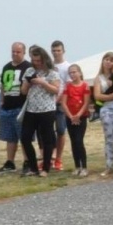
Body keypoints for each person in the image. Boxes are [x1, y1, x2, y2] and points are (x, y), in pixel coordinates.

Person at [19, 45, 61, 176]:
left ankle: (46, 168)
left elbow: (55, 90)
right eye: (34, 60)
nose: (36, 63)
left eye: (38, 60)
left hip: (47, 109)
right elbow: (23, 91)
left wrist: (43, 82)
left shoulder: (52, 72)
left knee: (47, 139)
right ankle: (33, 167)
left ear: (44, 59)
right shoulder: (29, 70)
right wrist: (28, 82)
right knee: (25, 137)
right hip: (31, 109)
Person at [0, 42, 31, 173]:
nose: (15, 54)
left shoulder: (28, 67)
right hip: (7, 107)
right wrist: (1, 101)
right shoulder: (6, 67)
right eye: (13, 51)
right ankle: (10, 162)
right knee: (10, 137)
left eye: (18, 52)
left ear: (24, 52)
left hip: (21, 107)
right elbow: (3, 85)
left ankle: (28, 162)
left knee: (24, 137)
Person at [61, 62, 91, 177]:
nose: (72, 75)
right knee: (73, 141)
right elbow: (64, 103)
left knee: (79, 141)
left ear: (80, 73)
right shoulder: (68, 86)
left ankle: (84, 167)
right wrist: (71, 116)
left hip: (81, 117)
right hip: (70, 117)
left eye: (74, 72)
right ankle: (77, 166)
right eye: (70, 73)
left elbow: (86, 102)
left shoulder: (85, 85)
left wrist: (78, 115)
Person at [50, 41, 70, 172]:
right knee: (47, 131)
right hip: (48, 102)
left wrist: (60, 99)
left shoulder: (67, 67)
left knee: (61, 130)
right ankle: (49, 157)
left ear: (63, 51)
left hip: (61, 103)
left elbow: (67, 86)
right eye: (54, 50)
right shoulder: (49, 65)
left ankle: (58, 158)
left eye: (58, 50)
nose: (56, 53)